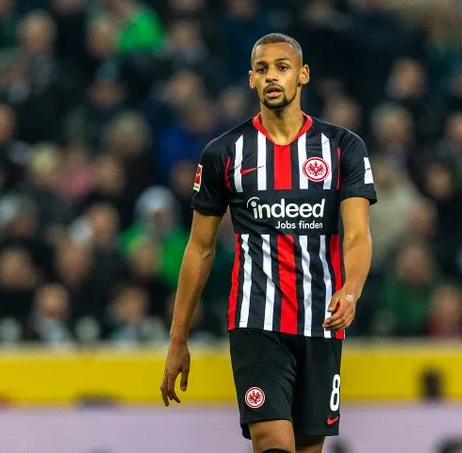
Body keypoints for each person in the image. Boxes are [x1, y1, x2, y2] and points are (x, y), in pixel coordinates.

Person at [160, 33, 377, 453]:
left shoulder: (343, 147)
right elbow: (200, 248)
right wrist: (178, 338)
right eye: (262, 69)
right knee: (272, 440)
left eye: (282, 67)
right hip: (256, 321)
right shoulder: (224, 152)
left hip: (321, 322)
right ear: (251, 80)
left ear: (303, 75)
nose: (272, 77)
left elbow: (357, 234)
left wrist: (351, 291)